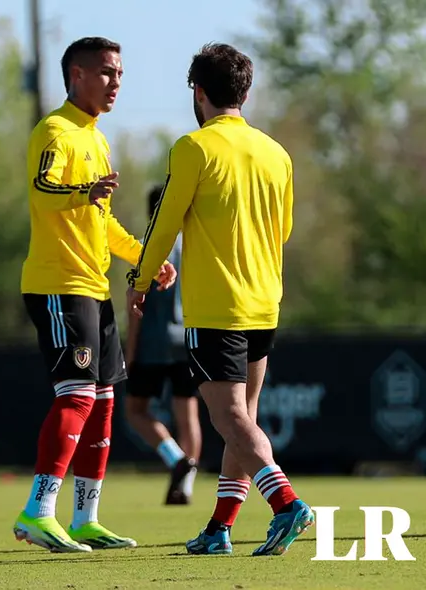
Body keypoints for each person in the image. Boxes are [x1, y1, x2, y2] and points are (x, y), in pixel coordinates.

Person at [126, 43, 309, 557]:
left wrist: (140, 280)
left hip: (216, 305)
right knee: (243, 417)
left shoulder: (194, 148)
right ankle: (219, 529)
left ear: (198, 92)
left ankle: (287, 503)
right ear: (246, 93)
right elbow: (285, 228)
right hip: (264, 301)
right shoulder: (277, 153)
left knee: (228, 417)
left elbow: (164, 222)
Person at [15, 36, 176, 553]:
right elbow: (42, 191)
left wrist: (148, 260)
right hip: (58, 285)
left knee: (105, 402)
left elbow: (101, 222)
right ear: (77, 75)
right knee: (78, 395)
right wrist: (85, 192)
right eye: (107, 72)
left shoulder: (97, 139)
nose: (116, 82)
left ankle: (85, 518)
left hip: (93, 287)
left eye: (120, 73)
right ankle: (38, 511)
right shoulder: (55, 130)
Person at [124, 185, 201, 506]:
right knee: (188, 414)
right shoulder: (196, 247)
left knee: (135, 410)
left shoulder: (145, 249)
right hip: (189, 341)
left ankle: (175, 459)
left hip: (153, 344)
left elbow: (134, 306)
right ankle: (186, 484)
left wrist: (129, 351)